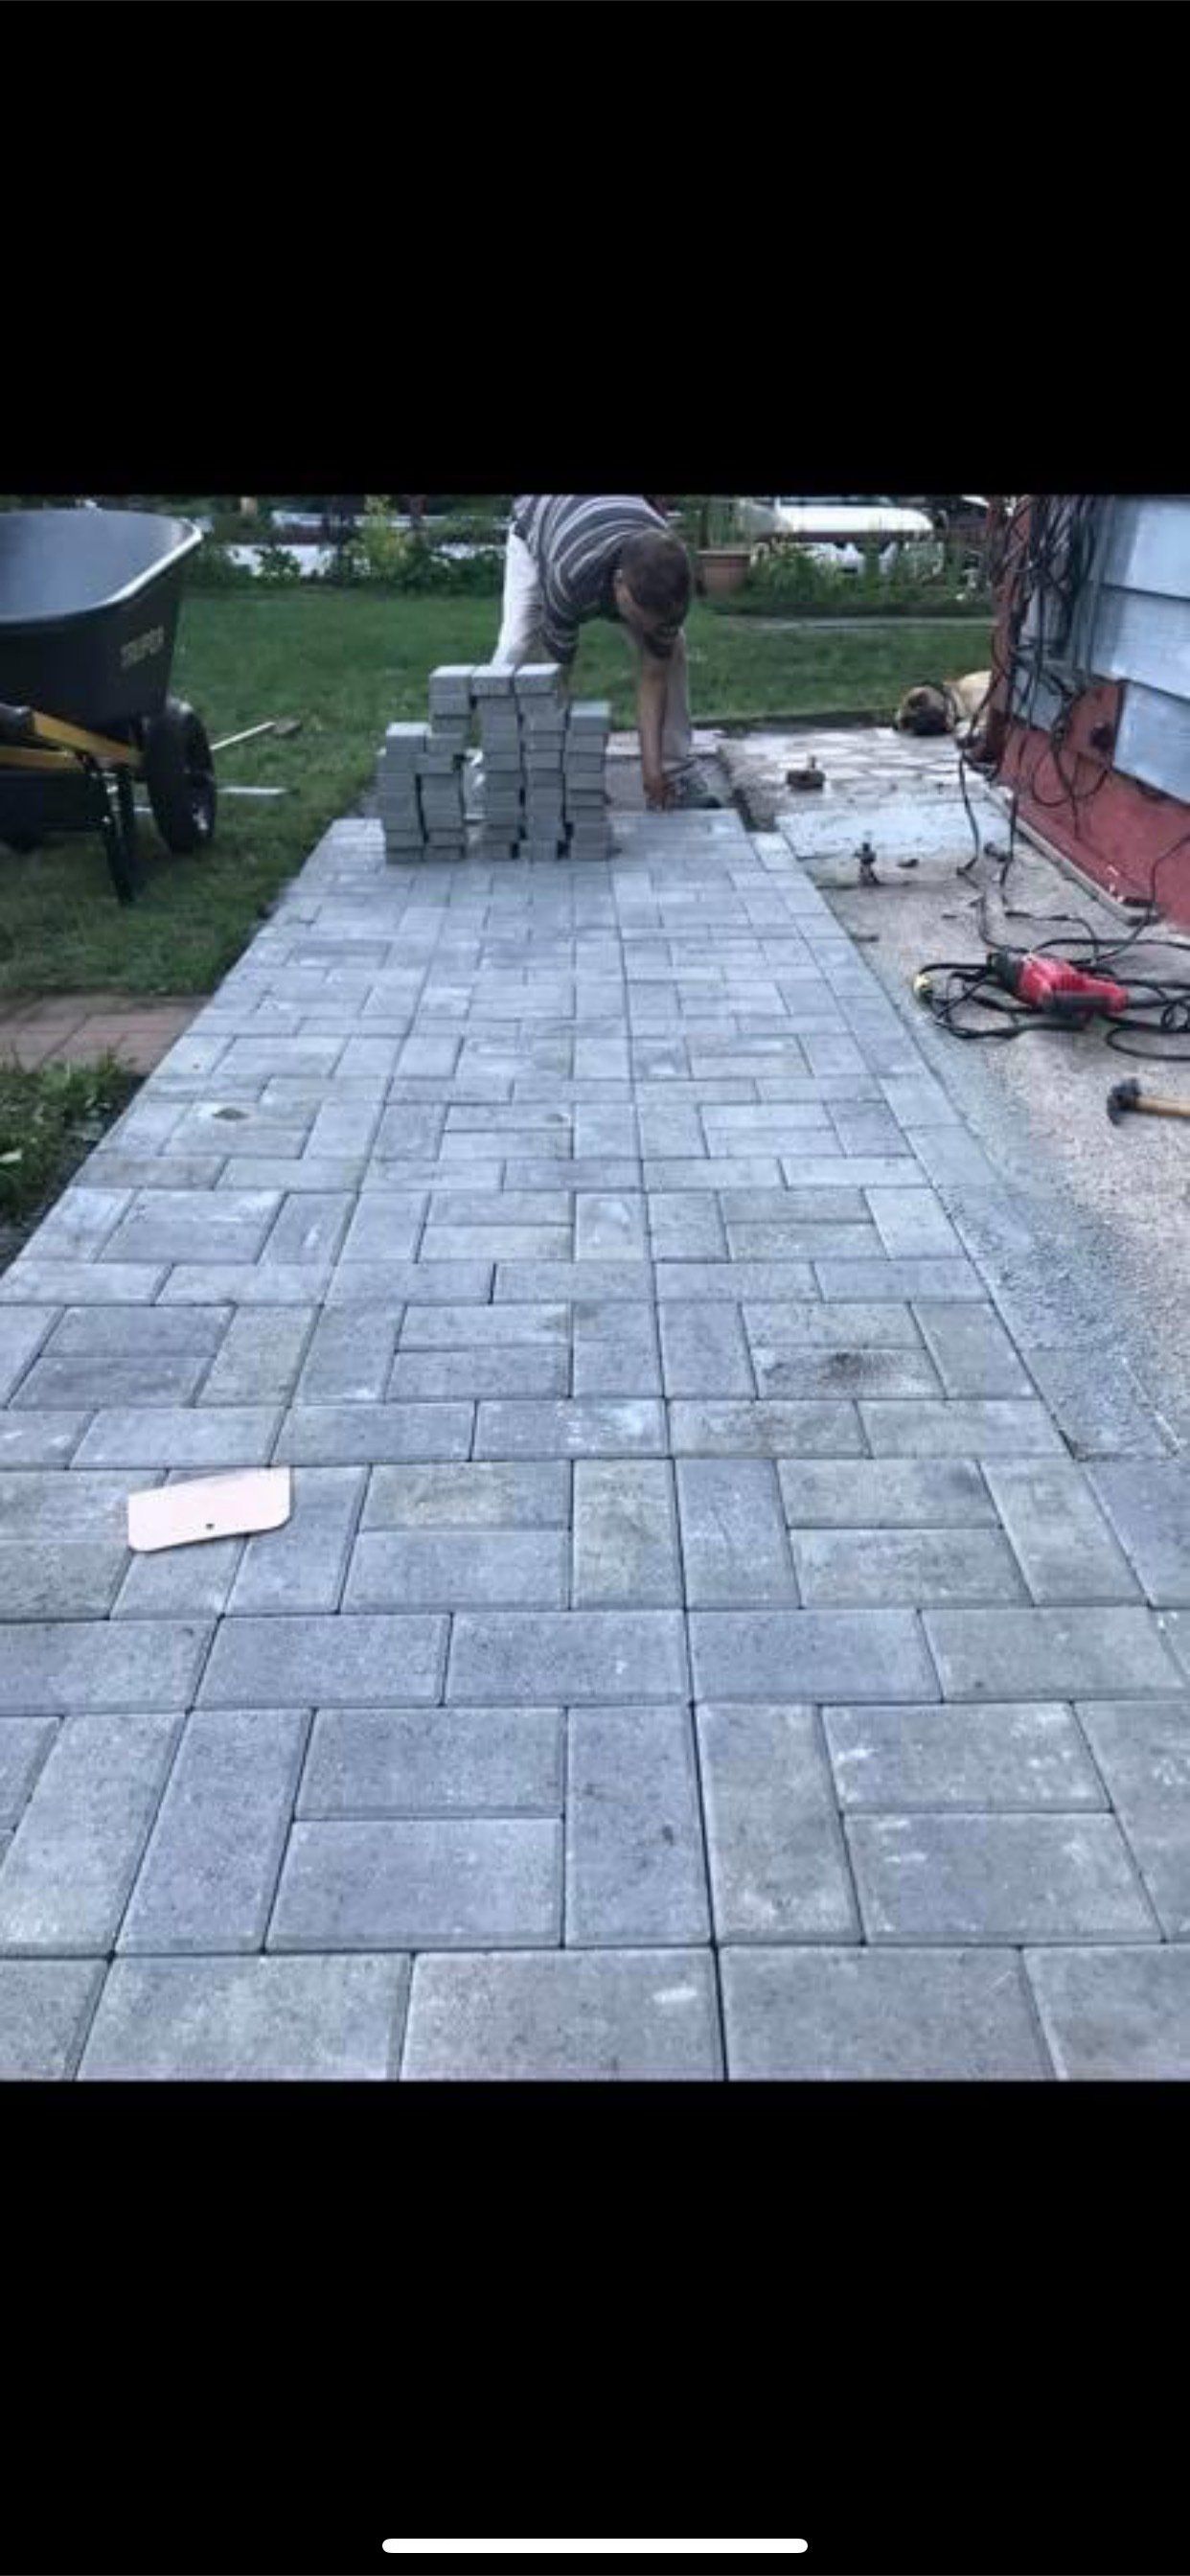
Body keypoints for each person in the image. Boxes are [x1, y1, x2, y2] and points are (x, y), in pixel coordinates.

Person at [492, 495, 725, 810]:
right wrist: (576, 779)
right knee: (515, 645)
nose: (648, 630)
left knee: (673, 650)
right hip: (539, 522)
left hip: (604, 525)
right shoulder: (570, 576)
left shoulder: (670, 586)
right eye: (642, 620)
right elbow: (557, 678)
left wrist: (652, 774)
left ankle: (676, 773)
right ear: (619, 586)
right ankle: (494, 764)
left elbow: (653, 676)